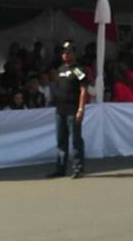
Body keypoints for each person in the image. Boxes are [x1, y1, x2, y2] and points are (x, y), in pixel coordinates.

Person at [47, 40, 88, 179]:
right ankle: (60, 168)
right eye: (63, 52)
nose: (65, 55)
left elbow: (83, 89)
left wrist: (81, 109)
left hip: (73, 110)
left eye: (68, 52)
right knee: (60, 140)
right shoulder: (60, 69)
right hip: (60, 111)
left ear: (74, 54)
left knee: (76, 140)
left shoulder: (78, 70)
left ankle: (78, 168)